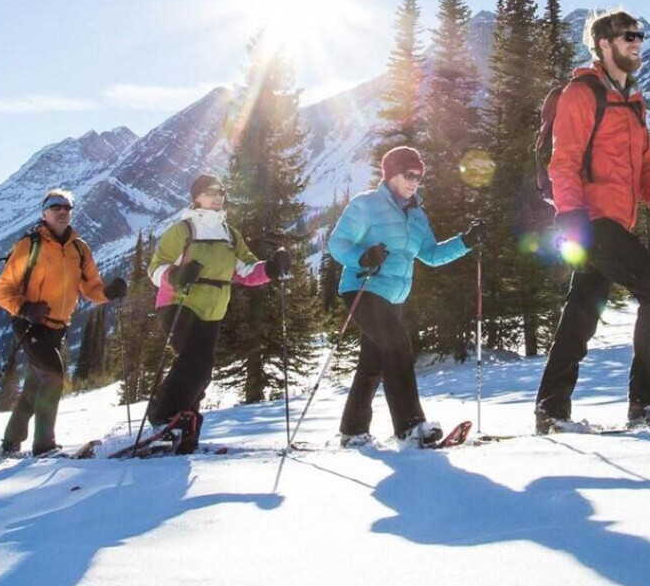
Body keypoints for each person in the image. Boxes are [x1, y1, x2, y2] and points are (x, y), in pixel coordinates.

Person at [534, 8, 650, 433]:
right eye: (627, 36)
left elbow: (646, 169)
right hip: (590, 220)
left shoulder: (634, 103)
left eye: (639, 35)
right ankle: (647, 400)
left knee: (582, 310)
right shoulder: (582, 93)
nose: (637, 42)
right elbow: (562, 163)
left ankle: (550, 408)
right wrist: (571, 218)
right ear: (603, 44)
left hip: (617, 222)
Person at [327, 146, 477, 447]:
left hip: (394, 298)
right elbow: (337, 242)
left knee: (373, 362)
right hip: (363, 288)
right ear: (391, 174)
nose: (415, 182)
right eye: (409, 175)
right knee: (397, 347)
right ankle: (410, 426)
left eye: (419, 177)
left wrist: (466, 242)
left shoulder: (417, 215)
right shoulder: (367, 204)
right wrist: (363, 256)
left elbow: (432, 255)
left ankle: (353, 430)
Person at [139, 173, 293, 451]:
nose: (218, 196)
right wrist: (176, 275)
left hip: (213, 309)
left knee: (203, 369)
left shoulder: (230, 235)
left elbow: (246, 270)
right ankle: (162, 418)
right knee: (194, 361)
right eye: (211, 191)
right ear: (196, 197)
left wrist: (272, 267)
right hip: (178, 302)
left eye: (221, 191)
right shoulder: (183, 230)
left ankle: (184, 424)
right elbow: (155, 268)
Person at [0, 189, 127, 457]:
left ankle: (9, 444)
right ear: (44, 214)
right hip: (29, 323)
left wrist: (108, 293)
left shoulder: (80, 248)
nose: (63, 211)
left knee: (35, 385)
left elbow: (91, 287)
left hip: (58, 327)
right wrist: (25, 307)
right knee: (53, 377)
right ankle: (44, 446)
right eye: (56, 207)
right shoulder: (29, 245)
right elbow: (3, 289)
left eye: (67, 207)